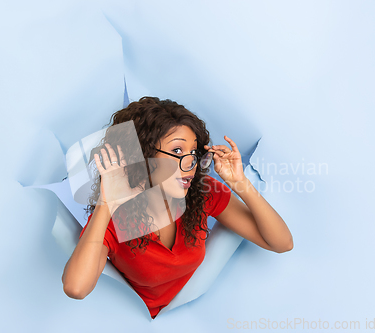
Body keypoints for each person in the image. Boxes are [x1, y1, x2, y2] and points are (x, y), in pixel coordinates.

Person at [61, 97, 293, 319]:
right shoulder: (114, 218)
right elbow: (76, 288)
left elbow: (282, 243)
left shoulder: (201, 191)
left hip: (196, 307)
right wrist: (106, 204)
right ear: (143, 156)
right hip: (138, 318)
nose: (190, 165)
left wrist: (240, 183)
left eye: (193, 153)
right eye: (177, 151)